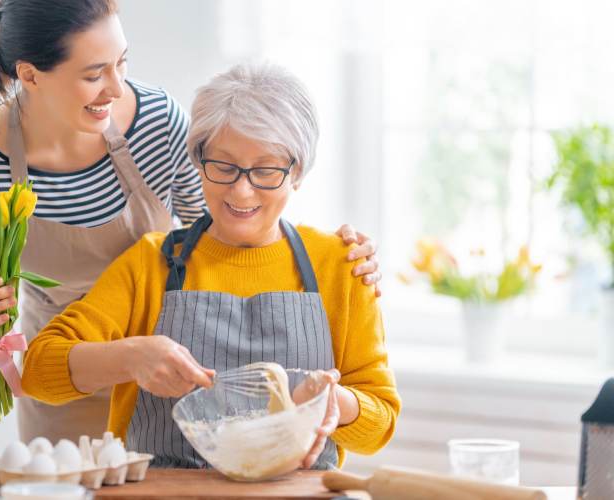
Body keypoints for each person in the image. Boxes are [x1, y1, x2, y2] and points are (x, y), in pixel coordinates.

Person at [0, 0, 383, 444]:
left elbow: (227, 227)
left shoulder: (156, 123)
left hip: (171, 382)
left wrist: (329, 256)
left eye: (122, 63)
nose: (116, 88)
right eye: (94, 74)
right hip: (65, 383)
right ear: (30, 75)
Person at [22, 62, 400, 469]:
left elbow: (380, 423)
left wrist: (333, 403)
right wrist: (130, 357)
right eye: (223, 165)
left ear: (298, 174)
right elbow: (38, 370)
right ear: (198, 161)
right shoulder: (153, 263)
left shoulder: (341, 266)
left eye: (266, 170)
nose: (241, 190)